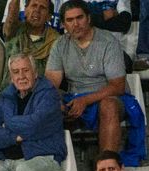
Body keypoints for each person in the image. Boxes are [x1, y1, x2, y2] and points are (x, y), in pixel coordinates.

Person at [45, 1, 126, 154]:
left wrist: (85, 100)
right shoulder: (60, 44)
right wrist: (58, 102)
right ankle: (51, 166)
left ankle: (106, 167)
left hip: (107, 97)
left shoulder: (108, 41)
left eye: (79, 18)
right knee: (47, 104)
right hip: (74, 98)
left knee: (108, 105)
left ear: (88, 18)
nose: (75, 24)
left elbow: (118, 86)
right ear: (63, 24)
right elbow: (50, 84)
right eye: (69, 20)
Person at [0, 0, 60, 86]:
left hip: (39, 95)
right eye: (34, 5)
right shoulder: (14, 31)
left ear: (49, 17)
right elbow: (11, 15)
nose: (37, 10)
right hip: (8, 94)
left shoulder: (55, 40)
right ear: (25, 11)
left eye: (42, 7)